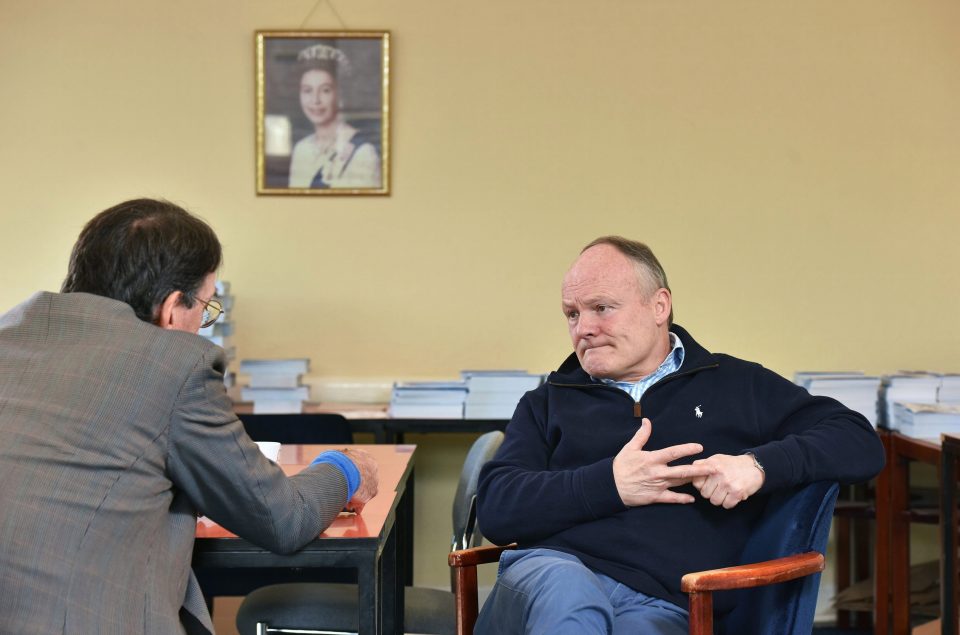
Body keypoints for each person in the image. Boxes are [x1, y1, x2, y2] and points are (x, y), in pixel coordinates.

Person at [0, 199, 379, 634]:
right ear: (171, 306)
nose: (202, 322)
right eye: (205, 308)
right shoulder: (172, 365)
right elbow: (282, 518)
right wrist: (345, 468)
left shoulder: (10, 335)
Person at [474, 236, 885, 634]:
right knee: (572, 598)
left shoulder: (737, 386)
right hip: (553, 572)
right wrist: (611, 485)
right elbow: (497, 508)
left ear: (659, 305)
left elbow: (857, 438)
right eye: (572, 314)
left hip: (665, 600)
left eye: (602, 308)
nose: (584, 328)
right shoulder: (547, 402)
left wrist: (758, 465)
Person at [288, 43, 381, 189]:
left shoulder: (363, 154)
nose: (315, 100)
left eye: (325, 90)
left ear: (340, 95)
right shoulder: (301, 149)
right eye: (307, 90)